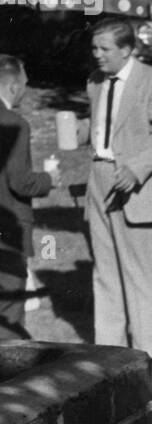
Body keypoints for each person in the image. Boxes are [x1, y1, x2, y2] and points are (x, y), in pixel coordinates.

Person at [81, 17, 152, 358]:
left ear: (128, 49)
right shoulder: (95, 82)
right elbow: (102, 128)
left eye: (105, 49)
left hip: (136, 185)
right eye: (94, 48)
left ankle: (145, 357)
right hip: (100, 179)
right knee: (105, 273)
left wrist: (135, 170)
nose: (97, 55)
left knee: (141, 277)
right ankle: (109, 356)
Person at [0, 54, 59, 341]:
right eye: (24, 83)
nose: (25, 88)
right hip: (7, 234)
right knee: (8, 317)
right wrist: (50, 178)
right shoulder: (15, 123)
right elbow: (21, 182)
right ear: (12, 87)